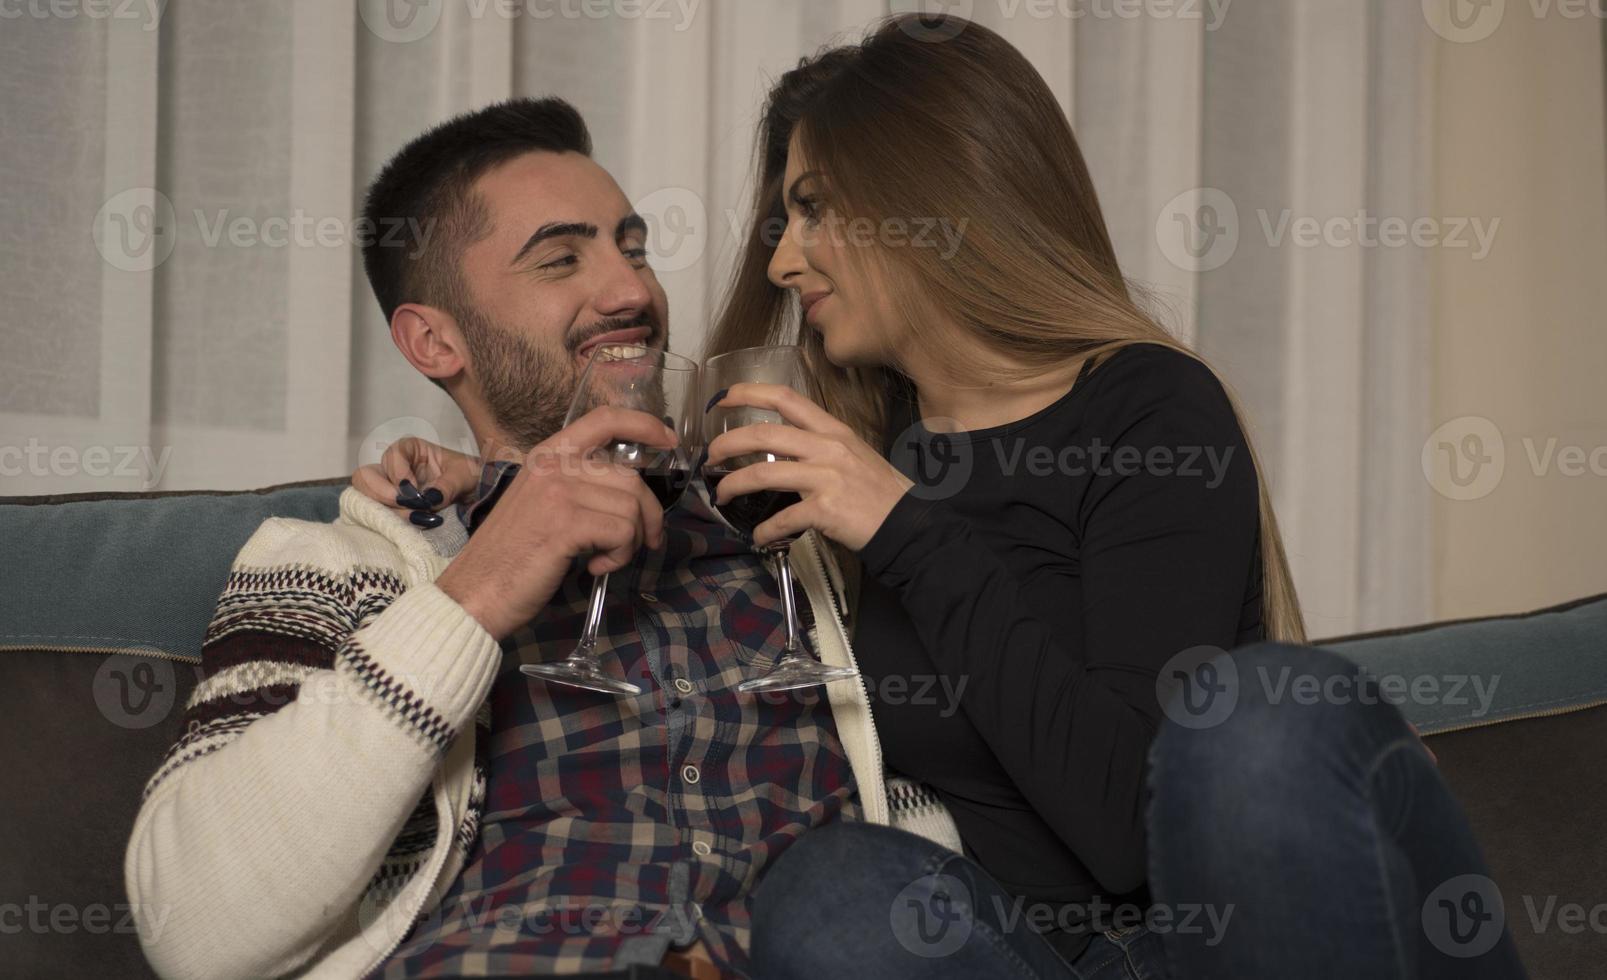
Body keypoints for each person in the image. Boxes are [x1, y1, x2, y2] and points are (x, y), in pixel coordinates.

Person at [371, 14, 1527, 980]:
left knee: (1258, 718)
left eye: (814, 208)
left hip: (1210, 947)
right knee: (828, 887)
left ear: (929, 203)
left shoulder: (1144, 410)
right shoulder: (844, 455)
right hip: (1021, 957)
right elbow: (641, 483)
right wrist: (483, 477)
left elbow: (1125, 829)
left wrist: (905, 528)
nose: (780, 261)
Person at [125, 97, 894, 980]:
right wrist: (473, 592)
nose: (632, 292)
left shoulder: (796, 537)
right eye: (562, 259)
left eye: (634, 248)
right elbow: (194, 928)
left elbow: (929, 832)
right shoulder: (329, 567)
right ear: (433, 340)